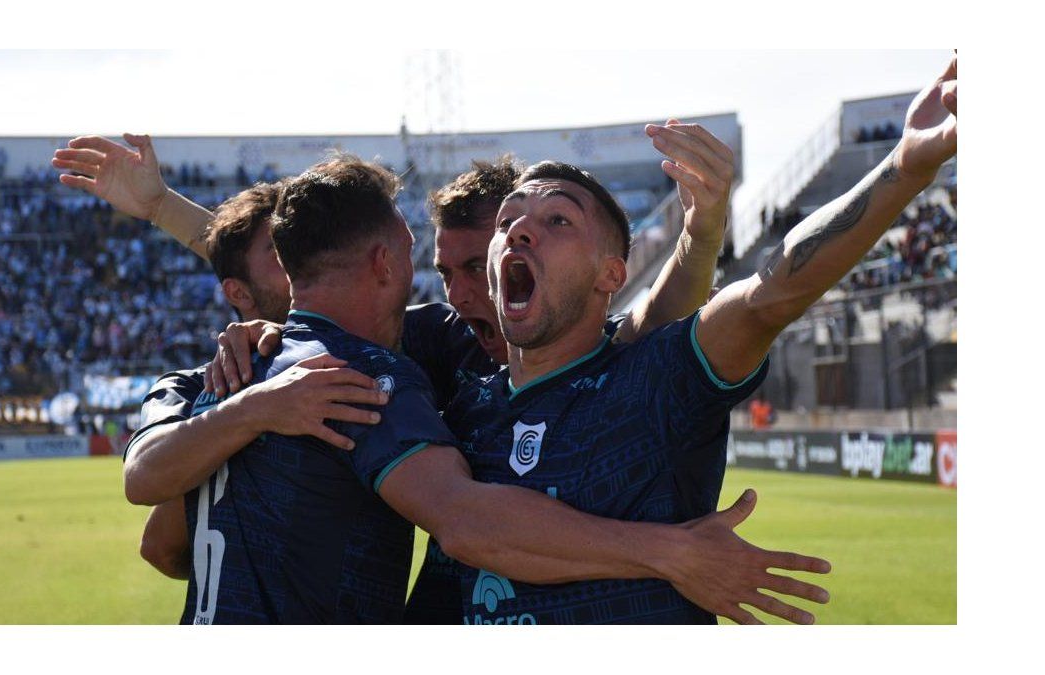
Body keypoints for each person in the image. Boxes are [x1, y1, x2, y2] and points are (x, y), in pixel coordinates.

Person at [116, 154, 830, 624]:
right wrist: (172, 220)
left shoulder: (557, 348)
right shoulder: (420, 348)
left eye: (475, 263)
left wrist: (702, 234)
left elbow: (648, 324)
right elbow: (311, 269)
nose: (459, 293)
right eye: (446, 271)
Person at [440, 53, 956, 624]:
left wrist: (906, 166)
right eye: (508, 220)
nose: (521, 230)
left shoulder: (656, 378)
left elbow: (770, 294)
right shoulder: (464, 408)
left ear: (612, 275)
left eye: (559, 220)